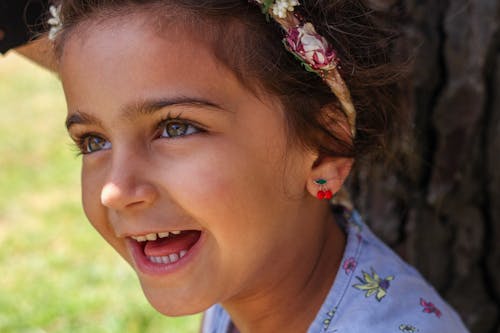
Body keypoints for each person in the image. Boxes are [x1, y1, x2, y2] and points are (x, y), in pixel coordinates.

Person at [51, 0, 469, 332]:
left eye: (176, 128)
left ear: (322, 151)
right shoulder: (243, 279)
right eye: (93, 140)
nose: (115, 191)